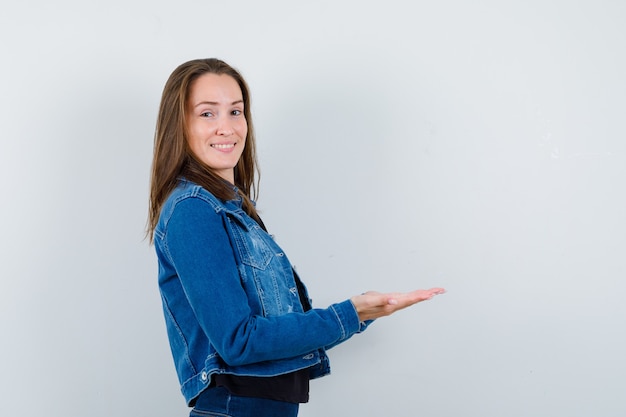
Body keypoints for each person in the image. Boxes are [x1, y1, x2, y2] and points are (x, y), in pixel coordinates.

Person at [147, 58, 445, 417]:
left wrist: (362, 313)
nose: (226, 127)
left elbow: (273, 330)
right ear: (179, 124)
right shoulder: (193, 210)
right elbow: (238, 341)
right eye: (207, 114)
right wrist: (349, 313)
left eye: (235, 111)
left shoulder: (230, 209)